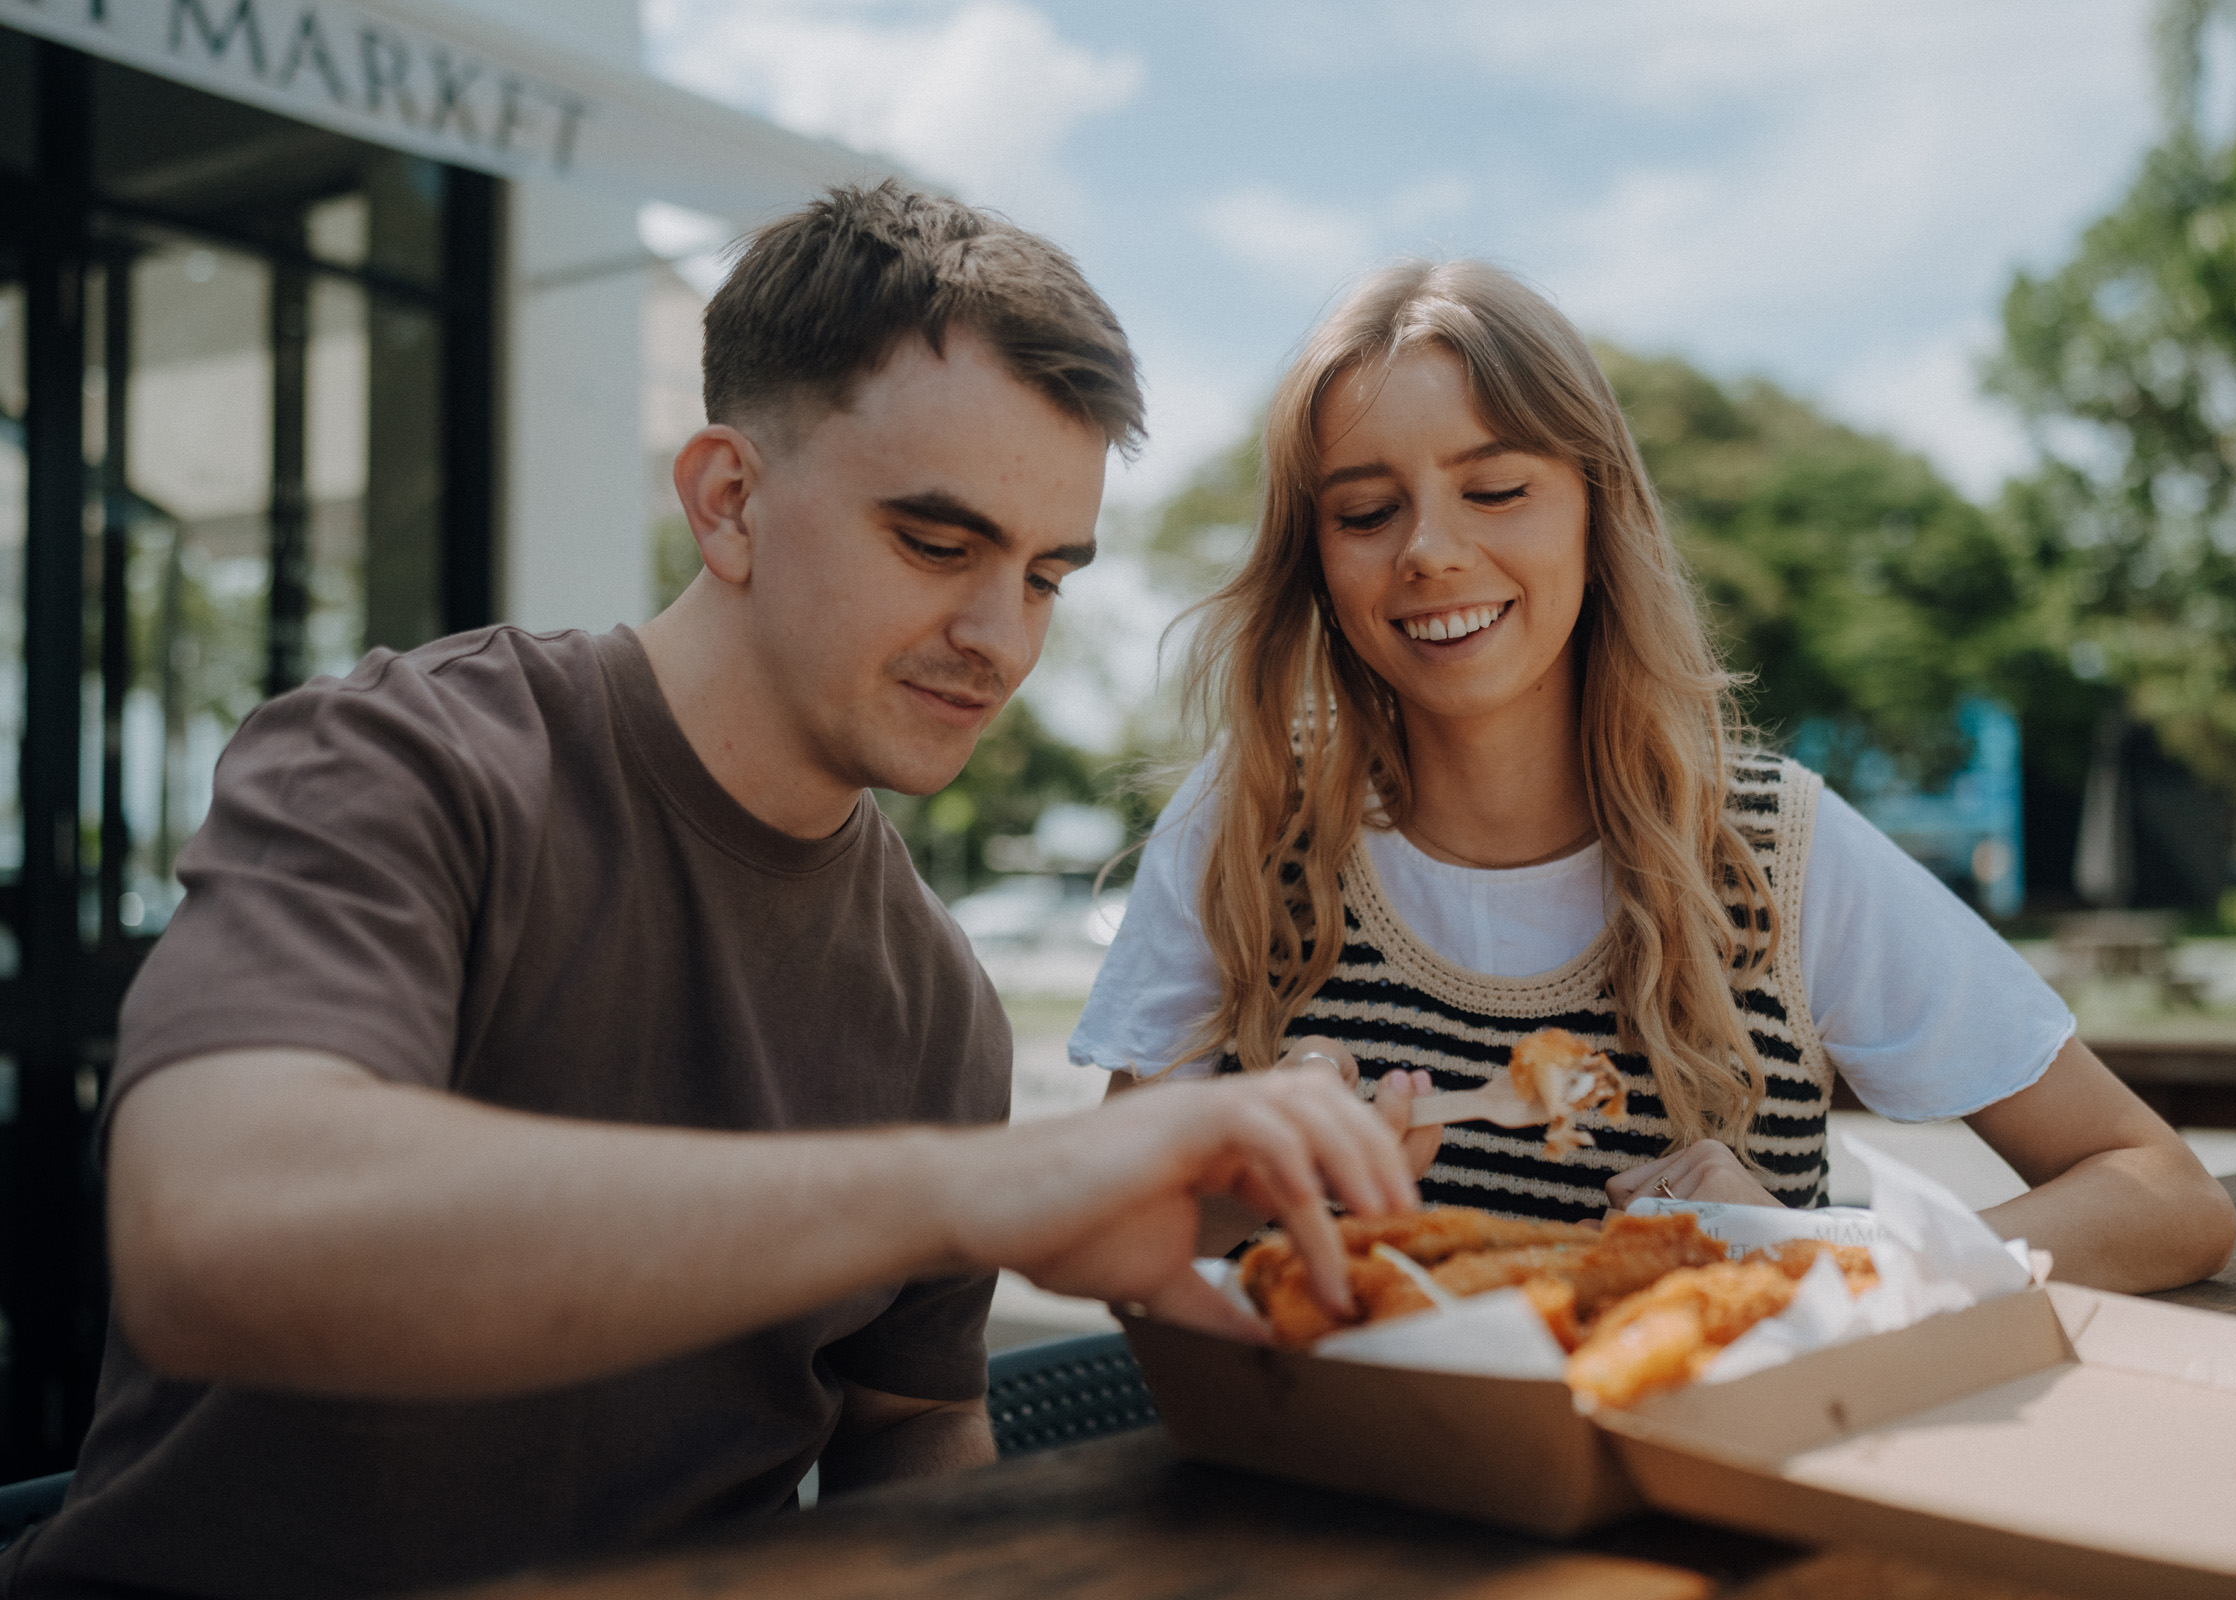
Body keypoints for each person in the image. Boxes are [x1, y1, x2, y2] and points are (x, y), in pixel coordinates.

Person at [0, 183, 1417, 1600]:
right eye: (938, 544)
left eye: (1046, 576)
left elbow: (913, 1427)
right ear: (728, 501)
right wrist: (982, 1184)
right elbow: (214, 1241)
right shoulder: (403, 760)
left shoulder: (934, 995)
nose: (1000, 639)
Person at [1070, 259, 2236, 1293]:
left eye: (1497, 489)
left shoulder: (1772, 851)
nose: (1428, 548)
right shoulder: (1248, 823)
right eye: (1367, 511)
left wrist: (1817, 1259)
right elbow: (1120, 1237)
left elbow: (2164, 1194)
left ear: (1596, 510)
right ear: (1317, 561)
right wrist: (1269, 1181)